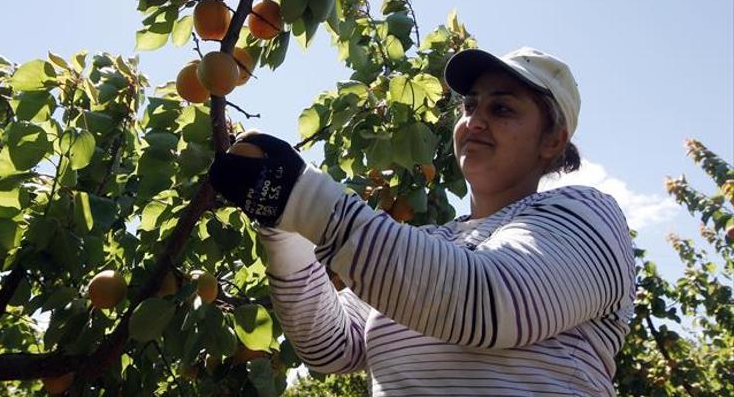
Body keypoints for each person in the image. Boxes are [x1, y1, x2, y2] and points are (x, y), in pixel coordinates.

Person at [209, 47, 636, 396]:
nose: (475, 121)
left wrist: (302, 198)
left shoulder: (586, 215)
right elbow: (330, 347)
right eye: (469, 105)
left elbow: (489, 302)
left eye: (502, 108)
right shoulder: (426, 246)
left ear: (553, 140)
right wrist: (282, 227)